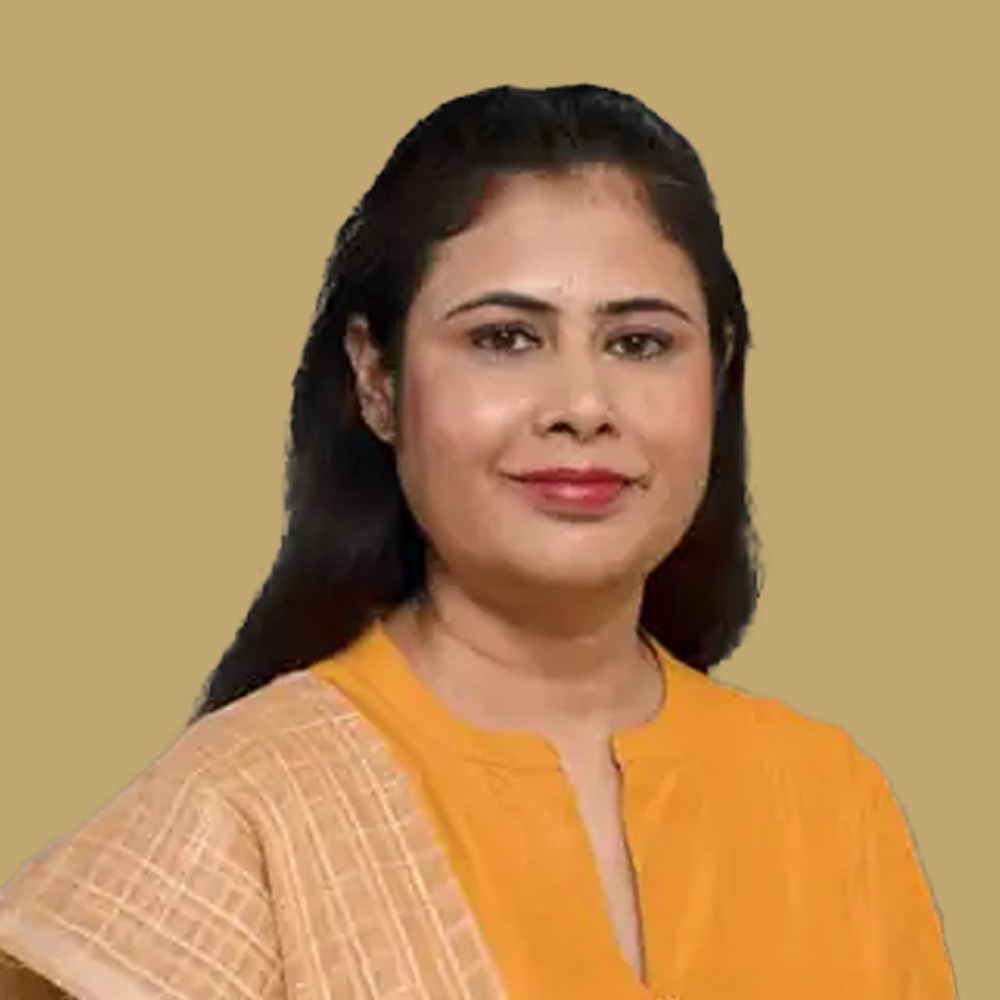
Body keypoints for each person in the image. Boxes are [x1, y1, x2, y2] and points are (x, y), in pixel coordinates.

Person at [0, 83, 955, 1000]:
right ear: (376, 380)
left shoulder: (828, 800)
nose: (582, 406)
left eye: (639, 343)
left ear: (721, 370)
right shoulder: (243, 813)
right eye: (504, 339)